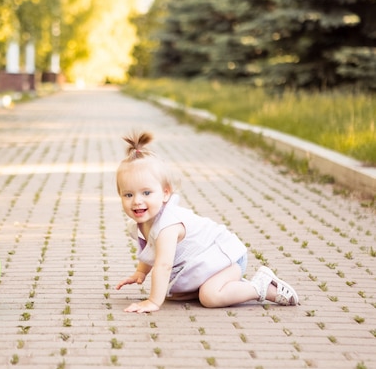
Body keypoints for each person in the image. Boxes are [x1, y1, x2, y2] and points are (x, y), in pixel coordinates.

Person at [115, 132, 299, 313]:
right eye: (128, 194)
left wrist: (153, 301)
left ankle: (261, 286)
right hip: (207, 262)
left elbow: (163, 265)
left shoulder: (168, 226)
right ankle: (228, 285)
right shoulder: (142, 223)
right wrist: (141, 272)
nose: (137, 201)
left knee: (209, 297)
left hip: (227, 258)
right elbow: (153, 251)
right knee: (178, 292)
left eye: (146, 193)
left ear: (165, 193)